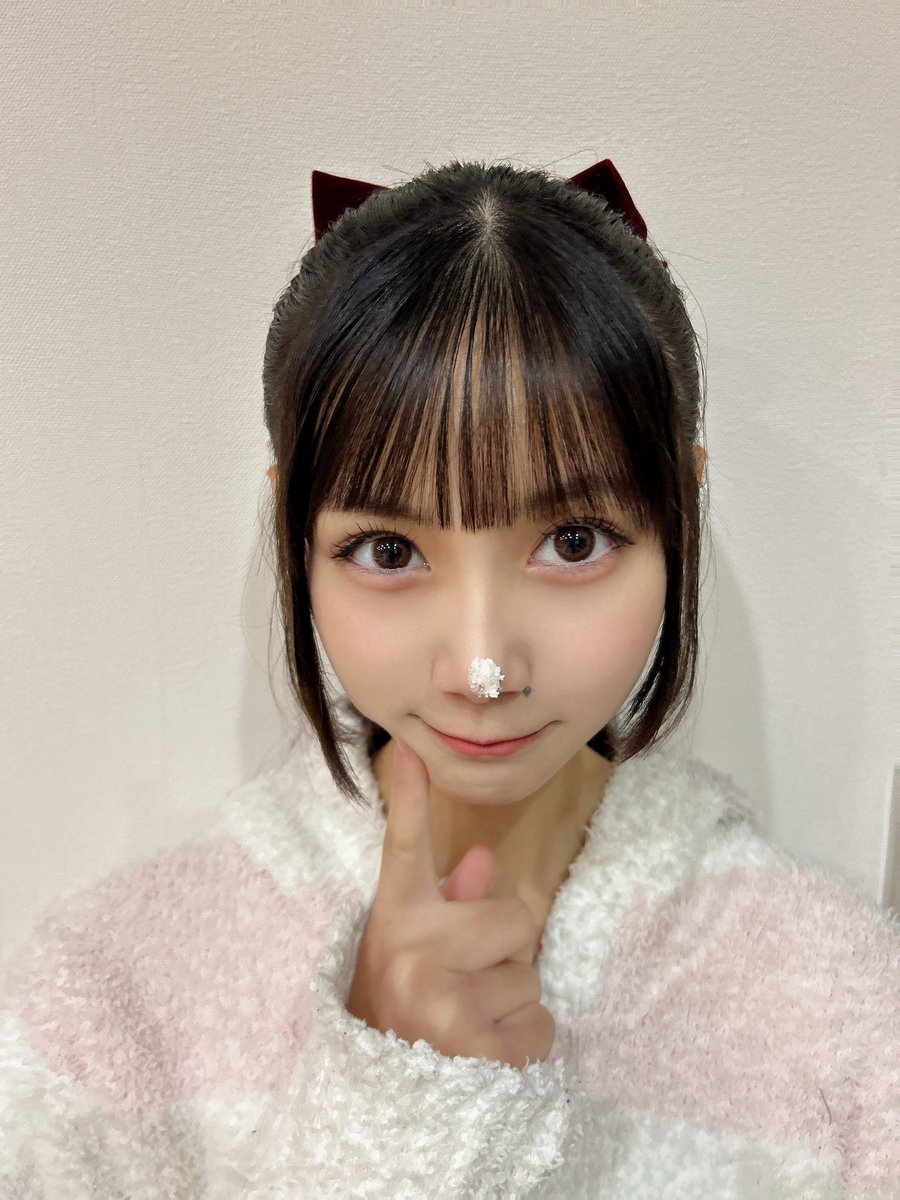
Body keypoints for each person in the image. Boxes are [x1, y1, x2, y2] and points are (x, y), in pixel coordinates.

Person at [1, 158, 897, 1199]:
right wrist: (388, 1114)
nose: (484, 668)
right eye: (389, 551)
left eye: (573, 540)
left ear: (681, 513)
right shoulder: (109, 993)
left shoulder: (846, 1020)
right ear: (292, 528)